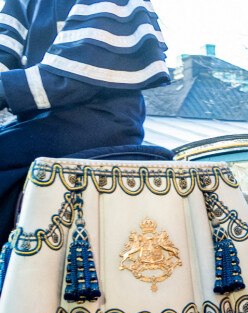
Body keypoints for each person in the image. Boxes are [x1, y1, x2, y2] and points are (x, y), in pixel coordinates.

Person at [0, 0, 171, 246]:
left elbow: (78, 73)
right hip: (39, 127)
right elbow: (5, 50)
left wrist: (6, 89)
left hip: (97, 123)